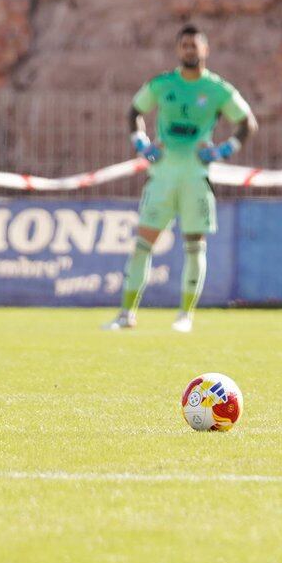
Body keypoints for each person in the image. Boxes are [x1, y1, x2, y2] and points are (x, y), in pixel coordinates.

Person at [104, 24, 257, 332]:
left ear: (205, 50)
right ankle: (126, 315)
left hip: (196, 178)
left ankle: (185, 316)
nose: (190, 50)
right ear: (178, 50)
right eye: (185, 45)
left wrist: (224, 149)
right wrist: (141, 146)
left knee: (194, 245)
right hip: (161, 176)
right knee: (142, 244)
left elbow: (247, 122)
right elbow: (134, 110)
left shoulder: (217, 90)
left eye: (195, 45)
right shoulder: (163, 84)